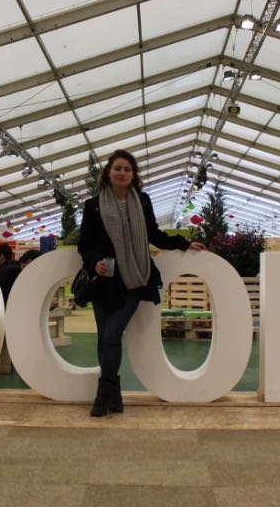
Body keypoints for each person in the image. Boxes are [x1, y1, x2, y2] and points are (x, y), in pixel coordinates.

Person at [78, 149, 206, 417]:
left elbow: (155, 235)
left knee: (113, 334)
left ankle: (104, 391)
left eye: (127, 169)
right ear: (108, 173)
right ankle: (114, 393)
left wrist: (183, 242)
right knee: (104, 338)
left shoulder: (143, 201)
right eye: (117, 168)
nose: (122, 173)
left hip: (135, 279)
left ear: (133, 174)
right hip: (104, 281)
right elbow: (85, 244)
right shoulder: (94, 205)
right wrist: (94, 263)